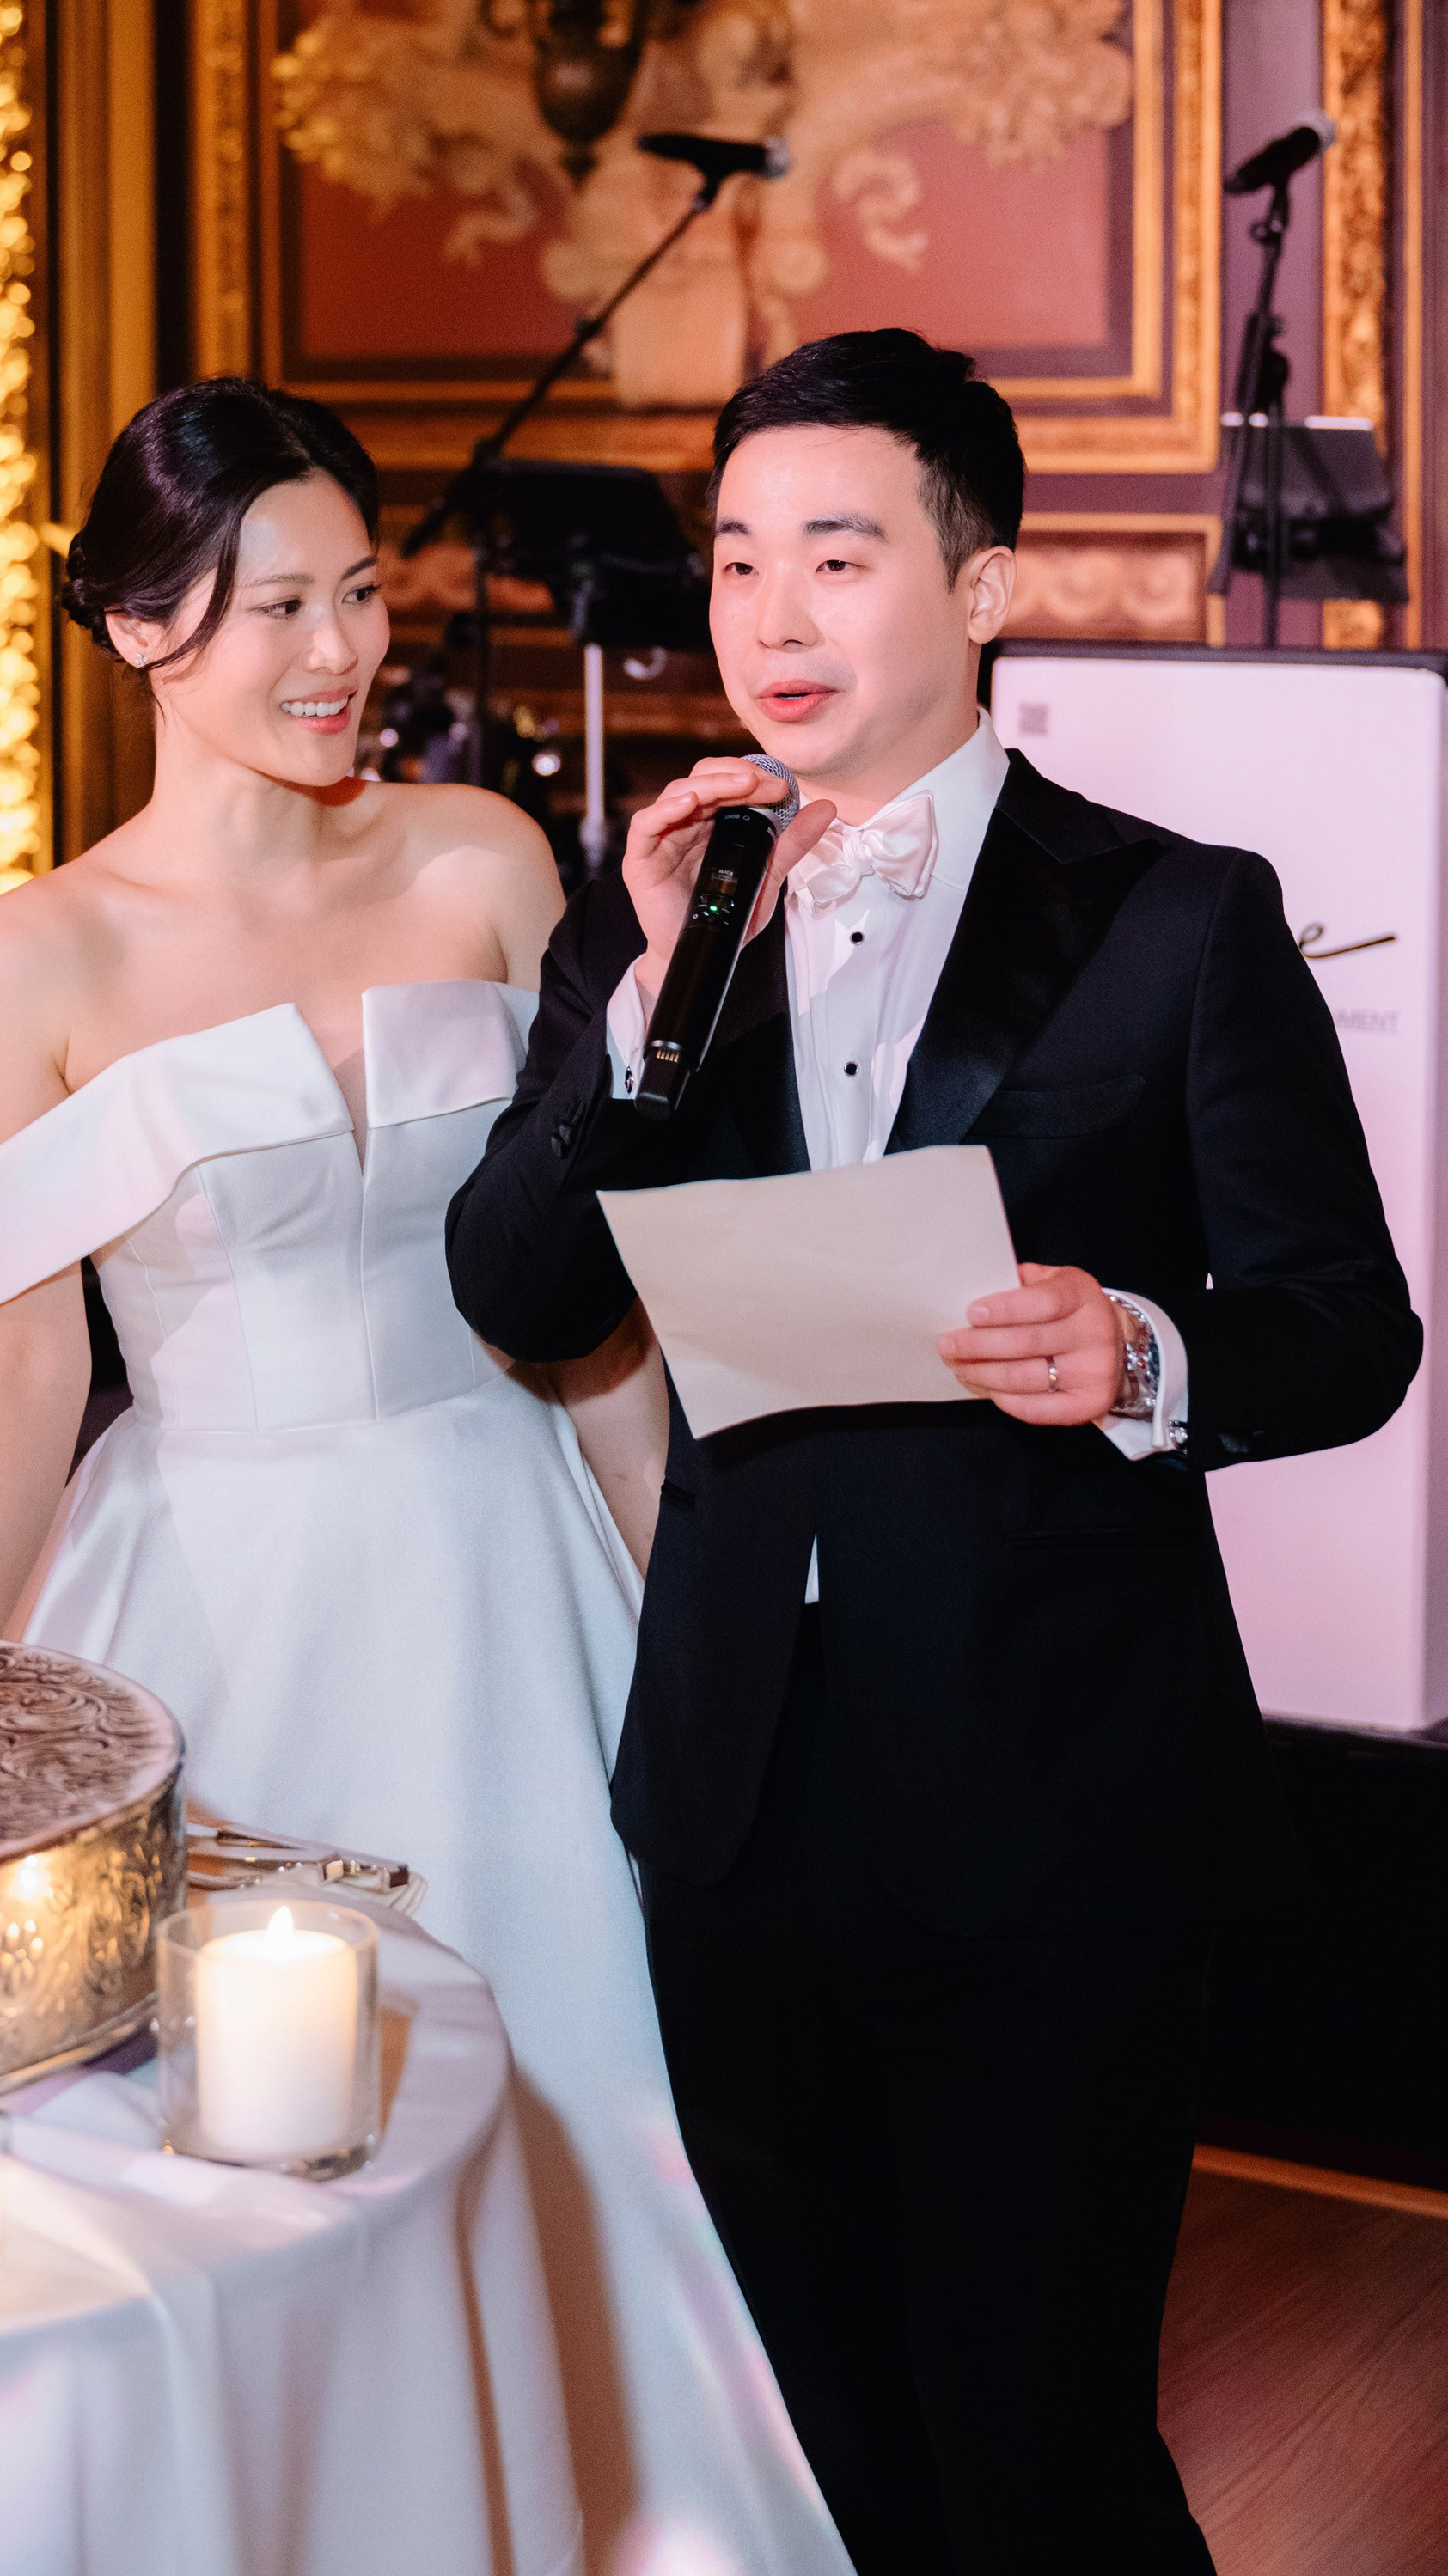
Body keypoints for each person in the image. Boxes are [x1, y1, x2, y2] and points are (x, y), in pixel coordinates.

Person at [446, 327, 1423, 2576]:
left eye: (840, 555)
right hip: (735, 1806)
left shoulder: (1176, 917)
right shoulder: (670, 906)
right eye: (737, 562)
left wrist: (1147, 1347)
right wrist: (636, 1009)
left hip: (1062, 1818)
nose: (772, 619)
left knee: (1043, 2444)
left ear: (984, 589)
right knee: (838, 2446)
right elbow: (519, 1296)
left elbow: (1345, 1330)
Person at [0, 380, 851, 2575]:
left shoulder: (482, 859)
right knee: (233, 2160)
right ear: (141, 628)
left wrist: (691, 1608)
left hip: (507, 1551)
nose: (342, 651)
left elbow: (587, 1290)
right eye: (277, 608)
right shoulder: (31, 959)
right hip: (210, 1610)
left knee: (596, 2094)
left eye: (362, 591)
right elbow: (20, 1381)